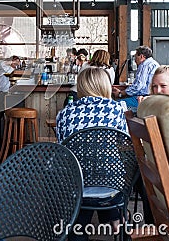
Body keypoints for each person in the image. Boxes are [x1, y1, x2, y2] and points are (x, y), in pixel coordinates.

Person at [56, 67, 128, 240]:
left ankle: (76, 229)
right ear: (106, 86)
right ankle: (117, 221)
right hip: (112, 184)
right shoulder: (116, 109)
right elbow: (125, 145)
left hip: (76, 184)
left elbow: (63, 148)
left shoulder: (64, 114)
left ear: (80, 87)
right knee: (108, 169)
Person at [112, 45, 159, 113]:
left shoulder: (144, 65)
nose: (134, 59)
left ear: (142, 56)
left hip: (143, 98)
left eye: (135, 56)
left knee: (116, 105)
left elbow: (138, 86)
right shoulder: (154, 63)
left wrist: (121, 93)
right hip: (153, 98)